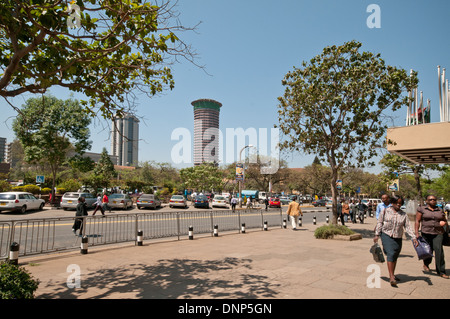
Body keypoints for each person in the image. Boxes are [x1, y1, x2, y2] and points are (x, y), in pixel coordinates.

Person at [374, 196, 418, 287]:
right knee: (391, 254)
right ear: (392, 203)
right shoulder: (385, 211)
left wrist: (413, 238)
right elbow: (379, 223)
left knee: (395, 255)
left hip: (398, 237)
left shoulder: (403, 214)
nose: (399, 204)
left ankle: (393, 274)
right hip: (386, 235)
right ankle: (391, 277)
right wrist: (377, 234)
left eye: (400, 203)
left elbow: (408, 227)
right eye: (397, 203)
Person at [415, 195, 449, 279]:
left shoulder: (440, 210)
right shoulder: (422, 209)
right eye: (430, 200)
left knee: (439, 251)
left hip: (438, 233)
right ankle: (426, 264)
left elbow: (445, 220)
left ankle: (441, 271)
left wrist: (445, 226)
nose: (433, 201)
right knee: (428, 250)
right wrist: (416, 233)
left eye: (434, 199)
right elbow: (417, 220)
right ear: (426, 201)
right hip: (426, 233)